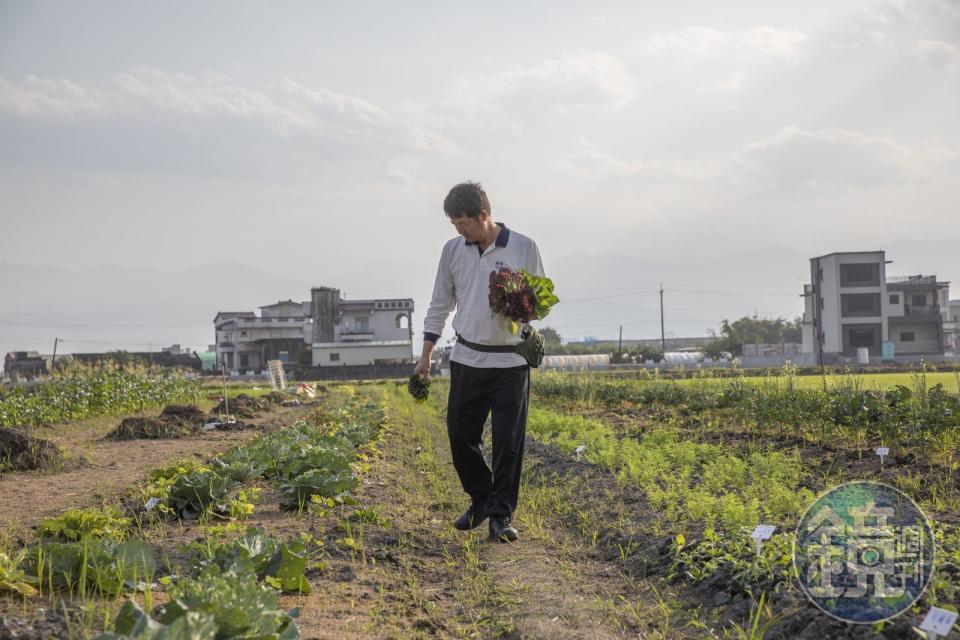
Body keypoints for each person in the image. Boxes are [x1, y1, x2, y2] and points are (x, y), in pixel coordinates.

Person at [413, 181, 545, 543]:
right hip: (467, 357)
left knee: (508, 443)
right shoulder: (453, 250)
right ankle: (482, 498)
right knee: (460, 434)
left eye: (463, 223)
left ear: (483, 216)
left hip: (510, 363)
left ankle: (500, 516)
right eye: (454, 224)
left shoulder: (524, 247)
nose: (459, 230)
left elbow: (540, 301)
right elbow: (440, 302)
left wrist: (519, 303)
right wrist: (426, 354)